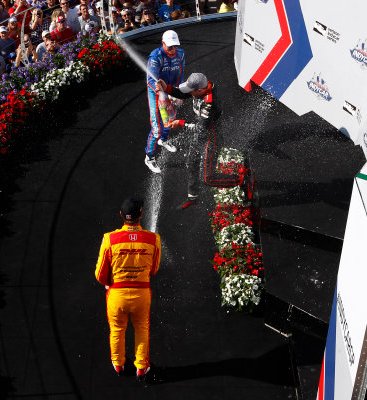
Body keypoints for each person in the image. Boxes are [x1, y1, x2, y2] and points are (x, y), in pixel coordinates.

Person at [95, 197, 160, 382]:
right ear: (141, 214)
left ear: (121, 215)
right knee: (142, 329)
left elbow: (100, 274)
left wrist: (109, 283)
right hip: (141, 294)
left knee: (117, 330)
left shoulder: (109, 239)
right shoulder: (154, 239)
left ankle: (119, 364)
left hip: (116, 295)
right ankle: (142, 367)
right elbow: (154, 270)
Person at [161, 72, 242, 208]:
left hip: (211, 138)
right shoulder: (201, 87)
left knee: (208, 178)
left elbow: (200, 128)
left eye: (192, 92)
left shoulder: (210, 103)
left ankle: (241, 180)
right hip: (201, 135)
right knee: (191, 163)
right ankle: (193, 198)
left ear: (200, 90)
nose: (190, 94)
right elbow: (183, 93)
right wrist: (166, 88)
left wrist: (180, 123)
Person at [144, 29, 184, 173]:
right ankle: (149, 157)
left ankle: (164, 139)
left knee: (170, 120)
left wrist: (178, 93)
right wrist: (161, 93)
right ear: (163, 43)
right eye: (170, 46)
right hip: (156, 94)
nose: (173, 49)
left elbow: (180, 74)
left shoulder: (181, 54)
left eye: (175, 46)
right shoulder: (155, 57)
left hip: (171, 91)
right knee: (157, 128)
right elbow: (151, 80)